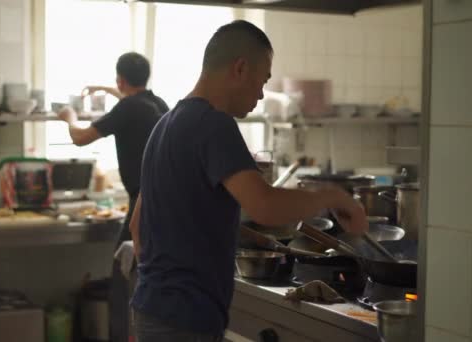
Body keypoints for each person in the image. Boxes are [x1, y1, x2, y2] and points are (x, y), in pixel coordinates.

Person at [128, 20, 368, 342]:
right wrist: (334, 197)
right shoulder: (214, 125)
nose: (260, 93)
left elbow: (137, 225)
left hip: (152, 309)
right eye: (262, 80)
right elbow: (265, 206)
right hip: (186, 319)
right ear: (240, 69)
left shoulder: (165, 125)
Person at [58, 52, 169, 342]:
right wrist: (103, 89)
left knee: (122, 282)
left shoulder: (127, 108)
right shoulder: (158, 103)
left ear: (120, 79)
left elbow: (80, 138)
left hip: (140, 208)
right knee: (145, 279)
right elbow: (130, 101)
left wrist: (69, 117)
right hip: (164, 206)